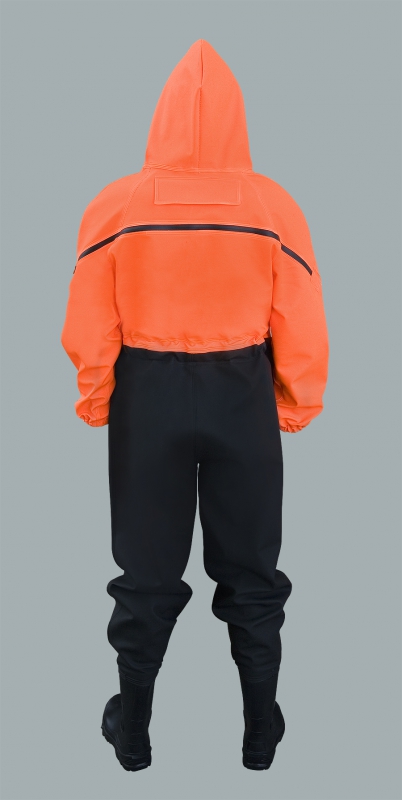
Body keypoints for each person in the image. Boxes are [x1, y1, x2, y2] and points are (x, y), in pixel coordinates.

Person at [61, 38, 329, 772]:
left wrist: (97, 394)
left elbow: (89, 315)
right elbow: (301, 315)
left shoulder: (116, 204)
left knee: (145, 571)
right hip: (242, 391)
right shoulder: (274, 206)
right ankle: (260, 731)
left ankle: (132, 731)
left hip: (148, 396)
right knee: (253, 569)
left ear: (164, 115)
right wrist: (295, 402)